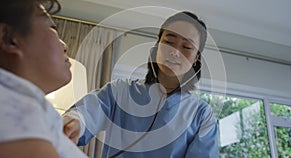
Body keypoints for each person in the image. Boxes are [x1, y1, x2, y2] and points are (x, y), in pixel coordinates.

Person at [63, 11, 219, 158]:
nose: (175, 52)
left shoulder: (202, 115)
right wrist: (76, 121)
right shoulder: (120, 90)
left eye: (186, 47)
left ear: (196, 57)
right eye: (169, 42)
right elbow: (88, 112)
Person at [0, 0, 87, 157]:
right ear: (10, 38)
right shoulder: (15, 107)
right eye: (52, 28)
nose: (65, 46)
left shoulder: (27, 108)